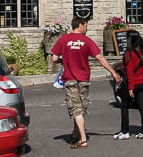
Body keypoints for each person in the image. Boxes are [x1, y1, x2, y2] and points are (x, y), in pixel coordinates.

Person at [51, 17, 121, 149]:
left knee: (76, 108)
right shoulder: (86, 40)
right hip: (83, 79)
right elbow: (99, 57)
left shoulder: (63, 39)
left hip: (70, 78)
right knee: (81, 107)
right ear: (81, 25)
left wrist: (63, 61)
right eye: (86, 25)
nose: (87, 28)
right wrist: (113, 72)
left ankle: (82, 139)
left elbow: (54, 58)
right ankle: (76, 134)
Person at [114, 31, 143, 140]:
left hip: (133, 82)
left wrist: (130, 87)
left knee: (124, 107)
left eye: (127, 38)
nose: (126, 40)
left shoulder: (129, 53)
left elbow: (129, 71)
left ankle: (125, 131)